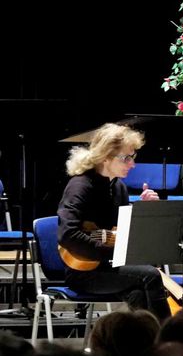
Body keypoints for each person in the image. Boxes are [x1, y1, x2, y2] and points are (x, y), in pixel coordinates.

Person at [57, 123, 170, 319]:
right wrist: (114, 252)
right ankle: (169, 339)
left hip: (108, 266)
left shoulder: (118, 188)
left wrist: (143, 211)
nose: (132, 164)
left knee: (139, 294)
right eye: (126, 158)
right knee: (150, 275)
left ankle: (144, 345)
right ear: (105, 157)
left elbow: (124, 233)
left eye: (132, 157)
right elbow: (67, 235)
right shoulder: (80, 186)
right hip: (84, 272)